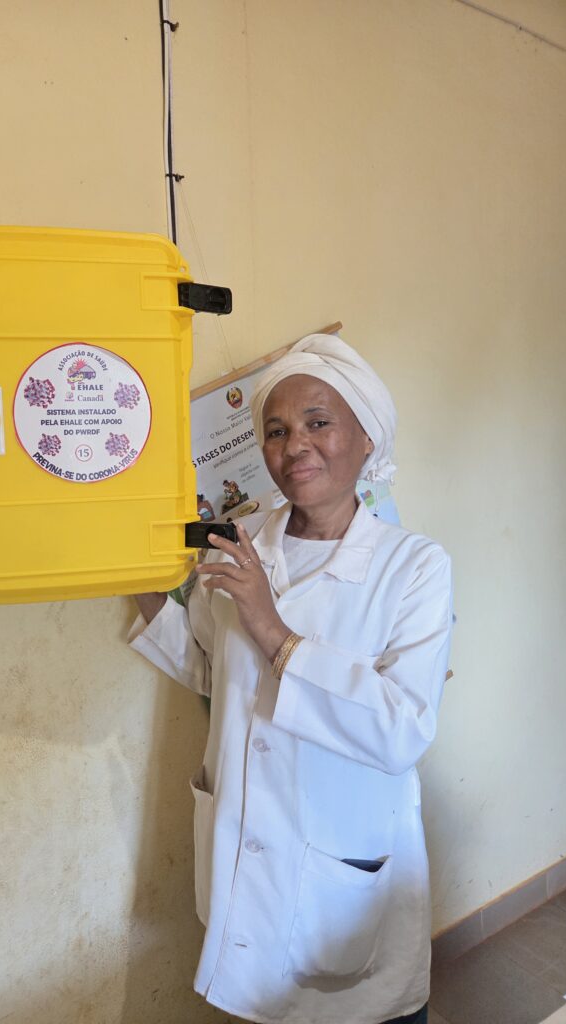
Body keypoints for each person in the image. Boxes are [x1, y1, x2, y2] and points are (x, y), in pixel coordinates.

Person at [129, 334, 452, 1024]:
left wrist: (274, 631)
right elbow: (213, 671)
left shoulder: (416, 567)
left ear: (366, 439)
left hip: (348, 861)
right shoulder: (244, 546)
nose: (294, 444)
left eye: (317, 422)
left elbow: (402, 730)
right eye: (276, 431)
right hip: (247, 850)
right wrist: (138, 581)